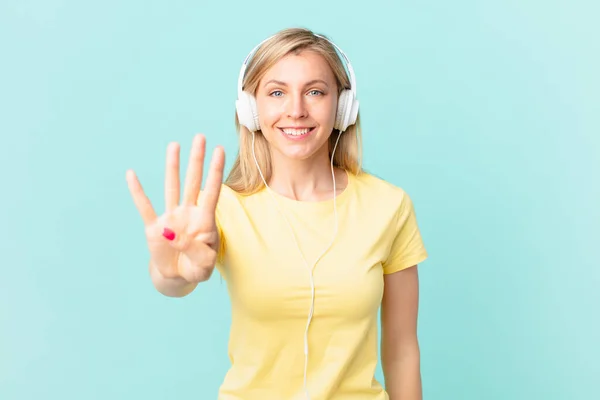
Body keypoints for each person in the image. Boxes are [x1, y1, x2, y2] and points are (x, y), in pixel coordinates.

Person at [126, 27, 429, 400]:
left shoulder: (389, 206)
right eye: (276, 92)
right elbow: (175, 279)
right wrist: (171, 272)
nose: (296, 110)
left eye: (315, 91)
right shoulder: (219, 207)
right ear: (250, 109)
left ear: (343, 106)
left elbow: (401, 351)